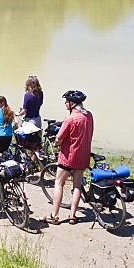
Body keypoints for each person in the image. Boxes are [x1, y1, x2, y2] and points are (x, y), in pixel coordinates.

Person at [39, 89, 93, 225]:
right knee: (77, 185)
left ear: (72, 104)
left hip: (68, 156)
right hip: (83, 155)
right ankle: (72, 215)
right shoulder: (89, 116)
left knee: (59, 183)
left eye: (66, 101)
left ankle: (54, 215)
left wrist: (57, 143)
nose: (65, 103)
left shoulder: (70, 118)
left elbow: (59, 137)